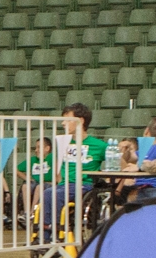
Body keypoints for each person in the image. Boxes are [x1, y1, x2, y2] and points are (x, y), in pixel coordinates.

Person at [37, 103, 106, 243]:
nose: (63, 123)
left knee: (52, 194)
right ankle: (44, 235)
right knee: (48, 192)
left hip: (84, 185)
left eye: (67, 119)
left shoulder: (99, 145)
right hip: (65, 185)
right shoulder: (64, 144)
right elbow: (58, 172)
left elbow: (119, 163)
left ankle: (53, 235)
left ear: (80, 120)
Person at [131, 117, 156, 202]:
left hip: (153, 189)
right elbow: (130, 159)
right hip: (139, 188)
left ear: (147, 130)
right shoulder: (144, 149)